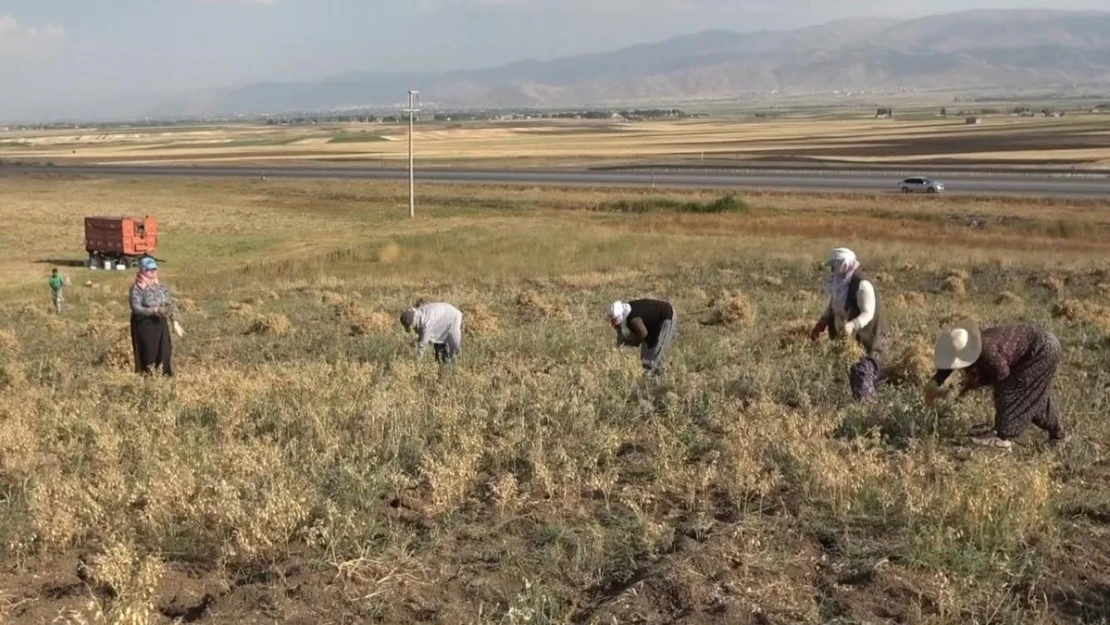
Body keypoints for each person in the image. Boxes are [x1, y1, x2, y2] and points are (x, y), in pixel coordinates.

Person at [925, 319, 1066, 449]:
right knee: (1033, 396)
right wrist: (936, 381)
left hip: (1041, 349)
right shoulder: (973, 342)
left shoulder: (986, 350)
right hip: (1047, 344)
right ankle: (1057, 435)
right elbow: (952, 360)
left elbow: (1002, 374)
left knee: (1013, 391)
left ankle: (1003, 437)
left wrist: (1004, 408)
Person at [809, 247, 886, 402]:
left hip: (867, 338)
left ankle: (869, 413)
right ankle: (865, 405)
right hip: (849, 340)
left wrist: (852, 325)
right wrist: (822, 322)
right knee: (854, 372)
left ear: (843, 264)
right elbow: (834, 305)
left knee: (862, 372)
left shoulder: (862, 284)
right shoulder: (841, 283)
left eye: (834, 265)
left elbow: (868, 313)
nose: (832, 269)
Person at [128, 257, 180, 376]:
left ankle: (165, 377)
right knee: (148, 354)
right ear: (142, 270)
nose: (153, 272)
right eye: (149, 270)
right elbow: (136, 308)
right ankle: (149, 378)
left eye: (154, 270)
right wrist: (154, 310)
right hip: (144, 325)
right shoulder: (137, 288)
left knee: (165, 352)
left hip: (160, 323)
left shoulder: (161, 287)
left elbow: (169, 304)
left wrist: (175, 321)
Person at [608, 299, 677, 376]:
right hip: (652, 324)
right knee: (646, 357)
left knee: (653, 358)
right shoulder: (625, 312)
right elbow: (621, 333)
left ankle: (657, 380)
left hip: (665, 317)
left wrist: (633, 343)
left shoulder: (633, 320)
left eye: (614, 320)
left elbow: (643, 334)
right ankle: (657, 376)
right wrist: (619, 347)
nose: (613, 323)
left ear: (619, 317)